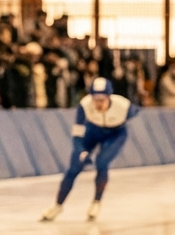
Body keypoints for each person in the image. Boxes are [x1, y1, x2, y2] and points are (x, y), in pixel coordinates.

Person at [41, 76, 139, 222]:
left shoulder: (124, 106)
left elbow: (137, 110)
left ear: (109, 97)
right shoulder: (84, 105)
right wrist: (81, 150)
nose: (98, 104)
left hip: (115, 134)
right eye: (95, 99)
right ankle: (57, 205)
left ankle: (96, 202)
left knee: (102, 163)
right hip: (92, 131)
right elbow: (77, 134)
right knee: (74, 168)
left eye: (102, 100)